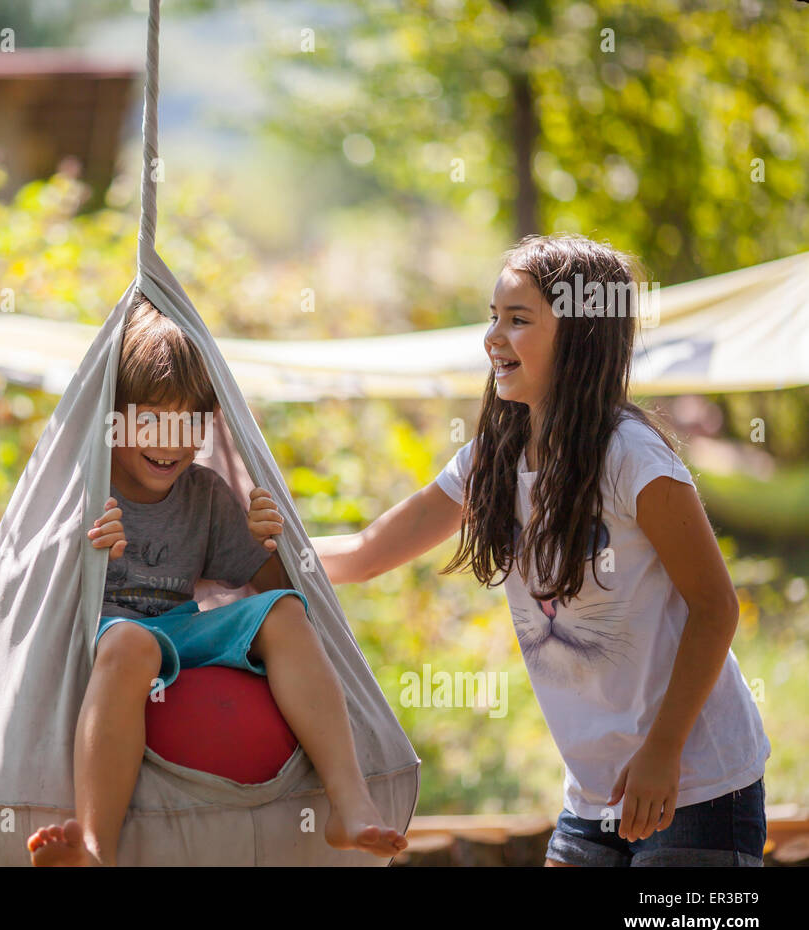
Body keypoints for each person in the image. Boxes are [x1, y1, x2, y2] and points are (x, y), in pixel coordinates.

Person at [250, 234, 769, 867]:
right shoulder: (489, 463)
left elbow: (716, 607)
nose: (493, 336)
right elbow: (362, 554)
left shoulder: (634, 458)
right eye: (494, 316)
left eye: (518, 320)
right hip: (594, 794)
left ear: (580, 335)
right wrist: (254, 542)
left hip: (696, 782)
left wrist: (663, 753)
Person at [25, 292, 409, 866]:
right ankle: (94, 848)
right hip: (112, 634)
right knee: (130, 642)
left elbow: (283, 591)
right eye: (151, 419)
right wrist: (83, 546)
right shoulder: (83, 488)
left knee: (281, 612)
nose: (170, 441)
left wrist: (268, 540)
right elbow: (33, 590)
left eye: (189, 421)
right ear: (111, 417)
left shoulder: (204, 493)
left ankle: (349, 803)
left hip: (185, 629)